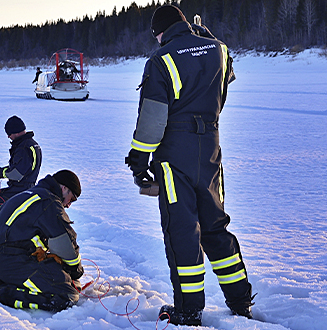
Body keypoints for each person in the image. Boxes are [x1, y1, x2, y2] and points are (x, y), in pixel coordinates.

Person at [125, 5, 254, 326]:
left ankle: (188, 309)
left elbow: (153, 116)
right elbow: (226, 82)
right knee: (215, 227)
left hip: (174, 155)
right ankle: (240, 301)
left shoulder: (161, 60)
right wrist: (206, 37)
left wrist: (139, 160)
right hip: (210, 149)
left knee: (182, 231)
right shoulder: (219, 49)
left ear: (160, 32)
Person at [0, 170, 84, 312]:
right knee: (67, 294)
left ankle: (5, 282)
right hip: (14, 262)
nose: (69, 205)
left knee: (62, 276)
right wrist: (76, 271)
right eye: (72, 198)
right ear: (64, 188)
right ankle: (1, 292)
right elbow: (66, 243)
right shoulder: (49, 202)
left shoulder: (28, 195)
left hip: (4, 261)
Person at [0, 116, 42, 208]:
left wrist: (0, 172)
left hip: (21, 190)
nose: (8, 136)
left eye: (9, 134)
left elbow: (16, 174)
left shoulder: (23, 148)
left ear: (15, 132)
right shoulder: (32, 144)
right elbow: (21, 168)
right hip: (28, 187)